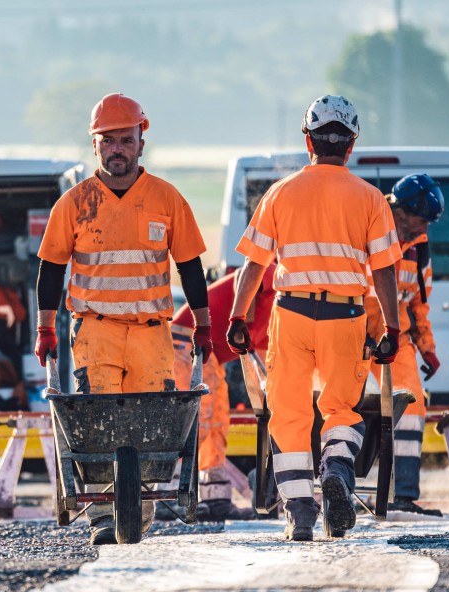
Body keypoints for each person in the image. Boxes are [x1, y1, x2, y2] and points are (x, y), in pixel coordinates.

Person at [34, 93, 212, 545]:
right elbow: (51, 268)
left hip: (153, 332)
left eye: (126, 140)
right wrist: (44, 328)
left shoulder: (166, 199)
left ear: (140, 142)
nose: (118, 149)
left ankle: (140, 512)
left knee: (150, 428)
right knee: (96, 429)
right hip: (95, 330)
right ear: (94, 145)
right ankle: (102, 520)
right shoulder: (75, 204)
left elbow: (190, 265)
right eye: (108, 140)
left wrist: (205, 326)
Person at [226, 94, 402, 542]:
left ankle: (301, 512)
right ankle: (338, 470)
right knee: (341, 407)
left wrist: (239, 316)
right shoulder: (369, 199)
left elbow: (255, 265)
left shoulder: (279, 193)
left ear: (309, 142)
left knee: (288, 412)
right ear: (351, 144)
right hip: (346, 316)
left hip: (294, 313)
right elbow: (384, 271)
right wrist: (393, 328)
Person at [365, 174, 445, 516]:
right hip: (356, 337)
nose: (423, 228)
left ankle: (403, 496)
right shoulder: (367, 229)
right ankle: (352, 488)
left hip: (396, 340)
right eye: (421, 219)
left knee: (412, 408)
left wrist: (427, 346)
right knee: (351, 409)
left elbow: (417, 303)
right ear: (400, 209)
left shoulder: (419, 247)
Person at [170, 263, 276, 521]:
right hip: (185, 342)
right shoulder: (275, 273)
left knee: (216, 422)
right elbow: (246, 275)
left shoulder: (273, 320)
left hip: (205, 355)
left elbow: (263, 365)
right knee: (195, 422)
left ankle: (215, 498)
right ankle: (169, 493)